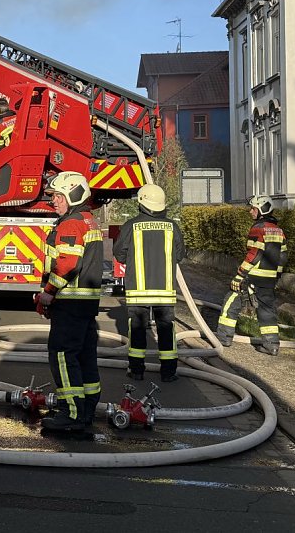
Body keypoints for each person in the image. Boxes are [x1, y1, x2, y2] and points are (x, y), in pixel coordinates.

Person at [35, 171, 103, 432]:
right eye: (54, 197)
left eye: (59, 196)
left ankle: (71, 413)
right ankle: (85, 409)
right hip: (85, 305)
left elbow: (67, 264)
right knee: (84, 357)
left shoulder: (71, 223)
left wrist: (48, 292)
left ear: (74, 195)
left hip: (69, 303)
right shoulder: (88, 221)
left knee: (62, 356)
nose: (54, 201)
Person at [112, 183, 185, 383]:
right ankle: (169, 372)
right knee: (166, 329)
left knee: (136, 330)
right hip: (165, 291)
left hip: (138, 291)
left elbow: (119, 253)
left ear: (142, 203)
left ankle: (136, 371)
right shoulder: (172, 226)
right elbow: (180, 255)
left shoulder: (131, 226)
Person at [216, 194, 288, 356]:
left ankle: (223, 338)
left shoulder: (258, 228)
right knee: (267, 310)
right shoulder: (278, 230)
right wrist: (276, 276)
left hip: (251, 276)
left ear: (261, 209)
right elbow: (283, 257)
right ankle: (272, 345)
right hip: (268, 279)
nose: (250, 212)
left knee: (231, 302)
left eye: (253, 208)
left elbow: (253, 254)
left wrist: (240, 275)